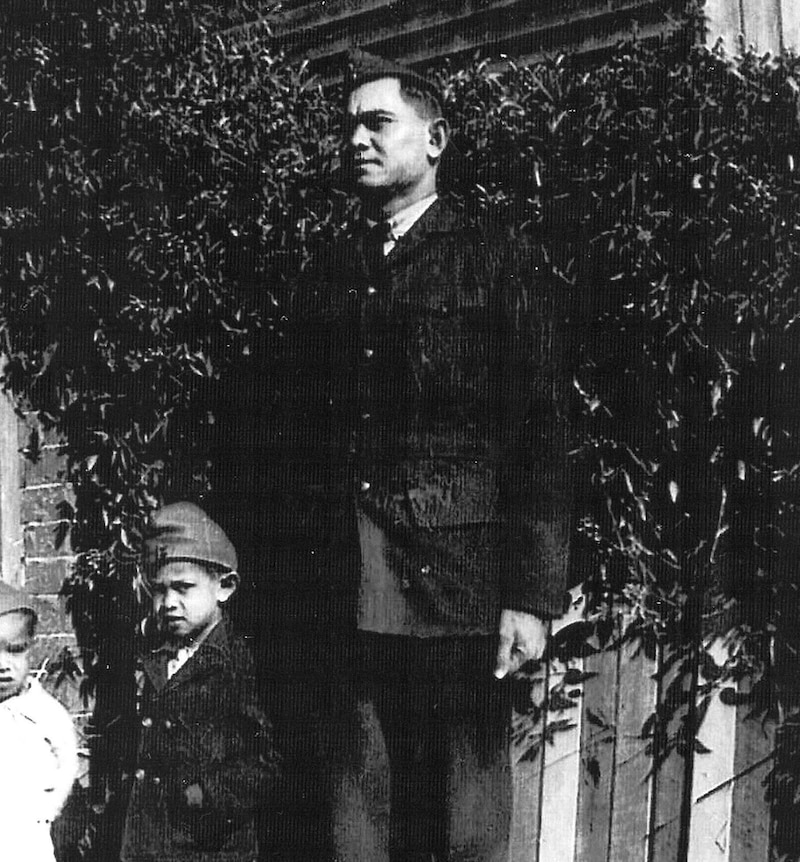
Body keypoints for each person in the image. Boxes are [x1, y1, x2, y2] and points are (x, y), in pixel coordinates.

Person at [290, 52, 573, 861]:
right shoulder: (329, 274)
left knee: (465, 806)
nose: (356, 139)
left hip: (459, 573)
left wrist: (531, 595)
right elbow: (296, 439)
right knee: (356, 802)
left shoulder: (496, 260)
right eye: (349, 124)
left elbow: (543, 433)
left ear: (436, 138)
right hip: (347, 574)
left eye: (378, 123)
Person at [117, 502, 277, 862]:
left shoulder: (237, 663)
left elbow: (265, 756)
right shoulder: (156, 656)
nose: (168, 603)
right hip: (150, 843)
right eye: (159, 590)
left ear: (224, 586)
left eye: (183, 587)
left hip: (209, 845)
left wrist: (206, 794)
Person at [0, 578, 78, 862]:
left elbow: (67, 760)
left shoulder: (44, 712)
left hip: (28, 835)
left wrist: (48, 809)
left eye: (15, 650)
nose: (3, 664)